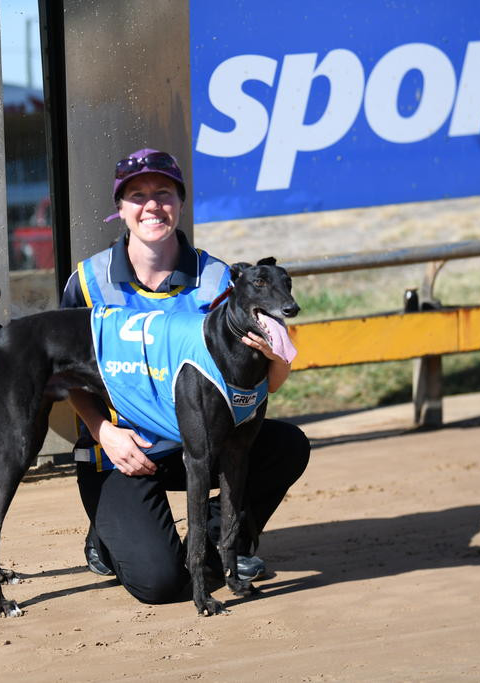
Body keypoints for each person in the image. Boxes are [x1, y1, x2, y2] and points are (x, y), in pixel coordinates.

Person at [59, 148, 310, 604]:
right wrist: (103, 433)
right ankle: (107, 538)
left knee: (286, 445)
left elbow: (259, 384)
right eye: (137, 195)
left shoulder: (220, 281)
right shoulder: (89, 280)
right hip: (122, 453)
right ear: (120, 208)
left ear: (180, 202)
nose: (152, 205)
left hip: (199, 443)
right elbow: (69, 376)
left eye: (163, 193)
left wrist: (279, 358)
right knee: (158, 584)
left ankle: (221, 541)